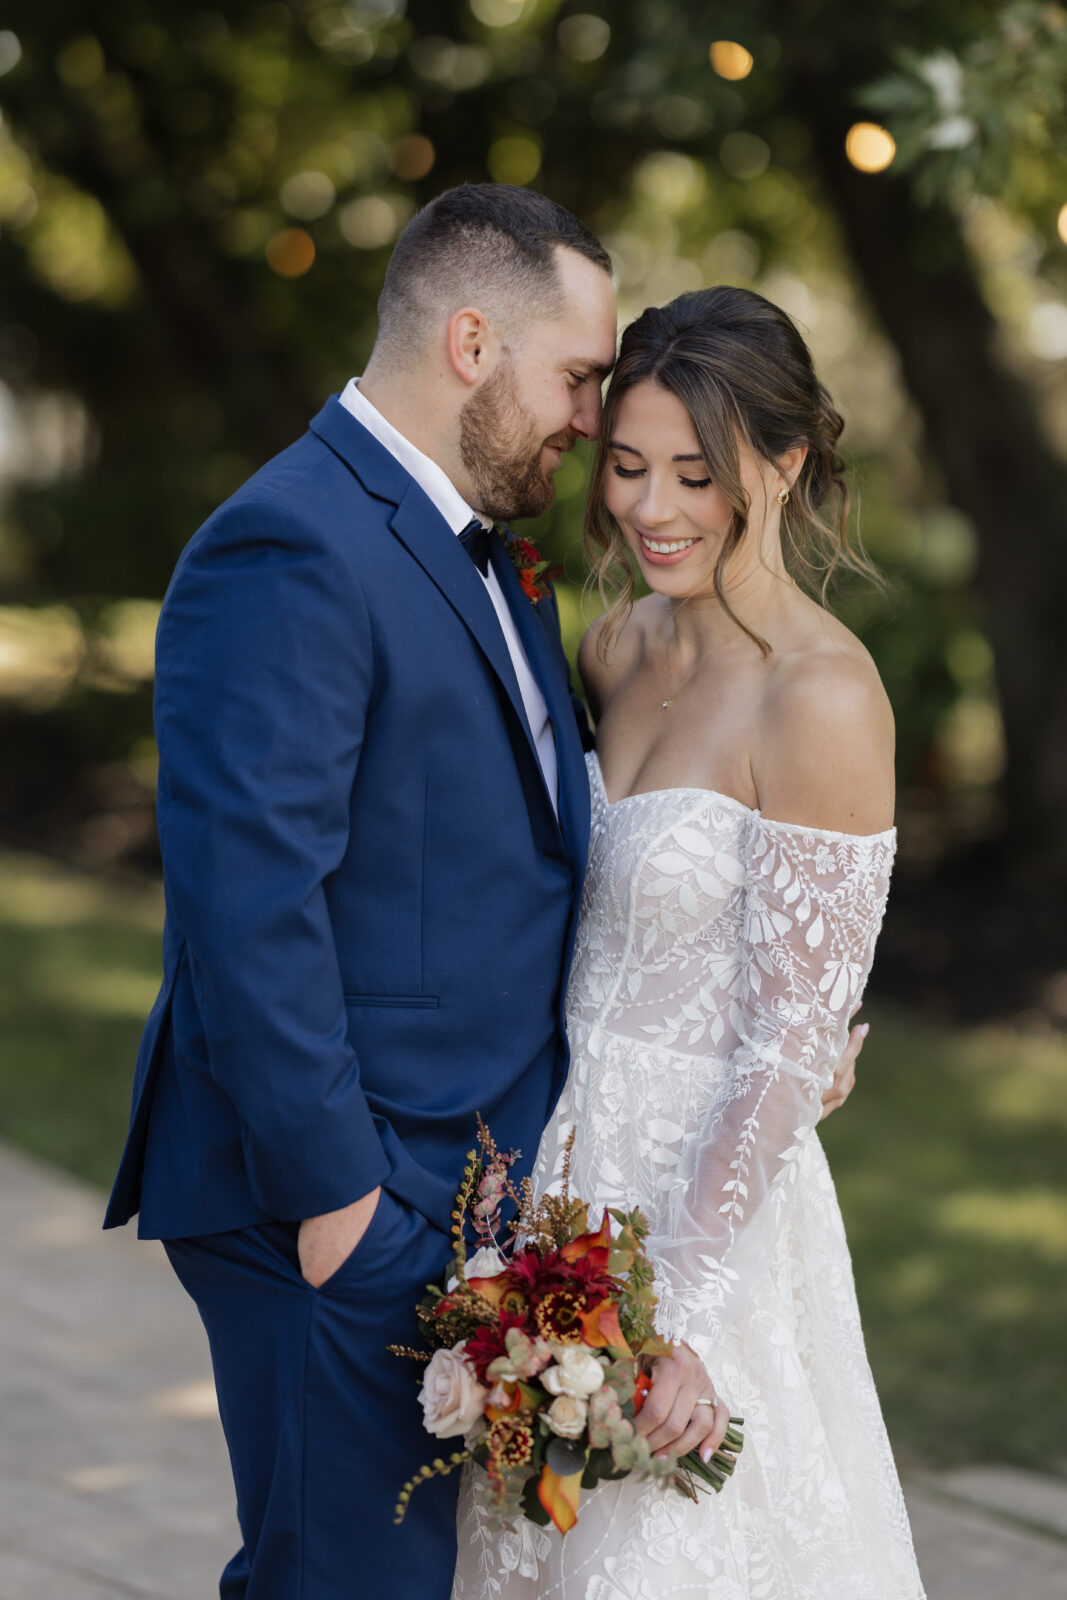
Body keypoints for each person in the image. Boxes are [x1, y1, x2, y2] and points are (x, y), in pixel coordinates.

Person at [105, 185, 862, 1600]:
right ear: (470, 341)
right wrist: (341, 1211)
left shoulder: (498, 560)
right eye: (580, 382)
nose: (593, 431)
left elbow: (539, 878)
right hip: (331, 1194)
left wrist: (780, 1040)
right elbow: (245, 906)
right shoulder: (294, 543)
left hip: (496, 1205)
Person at [452, 287, 925, 1598]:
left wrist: (677, 1319)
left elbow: (784, 1046)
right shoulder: (615, 645)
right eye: (628, 465)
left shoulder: (821, 695)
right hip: (561, 1181)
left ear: (782, 467)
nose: (652, 508)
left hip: (708, 1207)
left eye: (696, 474)